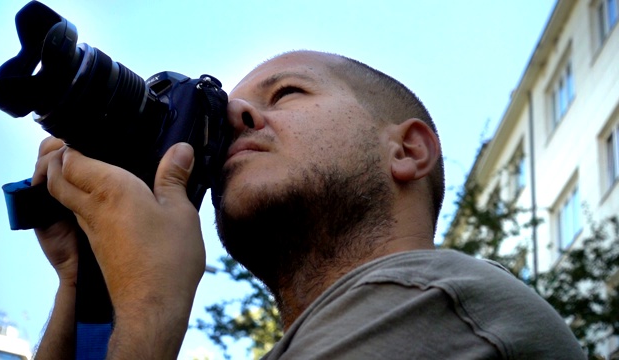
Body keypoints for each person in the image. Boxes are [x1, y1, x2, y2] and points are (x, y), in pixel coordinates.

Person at [32, 50, 585, 359]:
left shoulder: (436, 301)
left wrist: (150, 303)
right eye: (225, 117)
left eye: (288, 93)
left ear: (408, 150)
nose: (235, 118)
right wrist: (86, 285)